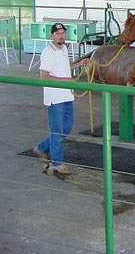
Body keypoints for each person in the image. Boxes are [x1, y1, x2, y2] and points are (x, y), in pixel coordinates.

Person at [31, 22, 89, 176]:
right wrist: (66, 81)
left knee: (66, 128)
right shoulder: (47, 51)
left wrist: (78, 64)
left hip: (66, 95)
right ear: (52, 35)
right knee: (57, 131)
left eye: (63, 33)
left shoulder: (63, 48)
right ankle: (57, 163)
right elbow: (44, 76)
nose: (61, 36)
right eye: (57, 33)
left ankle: (42, 148)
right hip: (54, 97)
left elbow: (63, 66)